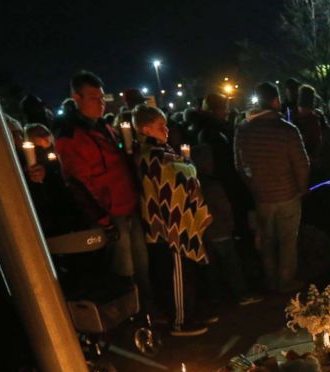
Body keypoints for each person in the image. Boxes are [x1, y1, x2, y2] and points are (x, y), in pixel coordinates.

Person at [53, 71, 152, 311]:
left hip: (128, 203)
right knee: (124, 269)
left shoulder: (106, 126)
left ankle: (149, 310)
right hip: (110, 212)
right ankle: (130, 315)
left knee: (142, 266)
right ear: (76, 98)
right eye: (94, 98)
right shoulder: (71, 136)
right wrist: (102, 218)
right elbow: (78, 182)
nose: (101, 103)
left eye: (102, 98)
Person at [133, 105, 214, 336]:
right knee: (177, 273)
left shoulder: (160, 151)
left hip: (173, 223)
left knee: (186, 272)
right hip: (169, 226)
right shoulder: (151, 154)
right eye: (161, 126)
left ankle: (191, 311)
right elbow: (175, 176)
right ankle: (181, 321)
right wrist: (189, 167)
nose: (166, 130)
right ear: (146, 129)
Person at [234, 82, 309, 293]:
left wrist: (254, 186)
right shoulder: (288, 130)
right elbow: (301, 164)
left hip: (260, 196)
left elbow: (239, 165)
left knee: (266, 241)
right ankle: (285, 282)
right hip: (288, 195)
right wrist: (302, 188)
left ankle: (270, 280)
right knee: (287, 241)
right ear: (275, 101)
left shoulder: (243, 130)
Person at [189, 94, 261, 306]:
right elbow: (225, 167)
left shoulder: (205, 131)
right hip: (222, 200)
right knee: (227, 253)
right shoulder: (212, 135)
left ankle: (219, 294)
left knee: (218, 255)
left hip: (220, 199)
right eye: (224, 108)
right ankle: (236, 292)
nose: (227, 112)